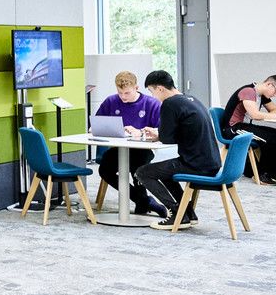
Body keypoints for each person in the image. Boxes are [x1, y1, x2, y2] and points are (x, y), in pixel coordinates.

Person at [135, 70, 221, 231]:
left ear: (160, 88)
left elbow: (167, 138)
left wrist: (158, 135)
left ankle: (176, 213)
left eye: (152, 91)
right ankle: (187, 213)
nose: (153, 96)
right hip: (210, 162)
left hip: (195, 165)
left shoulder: (170, 103)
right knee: (164, 173)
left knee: (143, 172)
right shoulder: (191, 99)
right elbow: (180, 132)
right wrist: (160, 134)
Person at [94, 71, 165, 216]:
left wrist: (140, 132)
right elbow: (96, 124)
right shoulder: (111, 101)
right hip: (118, 149)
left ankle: (142, 203)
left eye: (127, 93)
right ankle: (143, 201)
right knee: (104, 170)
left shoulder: (151, 104)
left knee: (137, 169)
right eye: (120, 93)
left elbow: (160, 131)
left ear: (137, 88)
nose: (123, 97)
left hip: (142, 149)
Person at [220, 75, 276, 184]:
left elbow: (273, 109)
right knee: (270, 139)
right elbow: (255, 115)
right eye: (275, 91)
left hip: (245, 127)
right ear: (269, 84)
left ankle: (267, 172)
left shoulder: (262, 95)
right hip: (233, 129)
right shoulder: (248, 91)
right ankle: (262, 175)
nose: (274, 95)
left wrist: (273, 114)